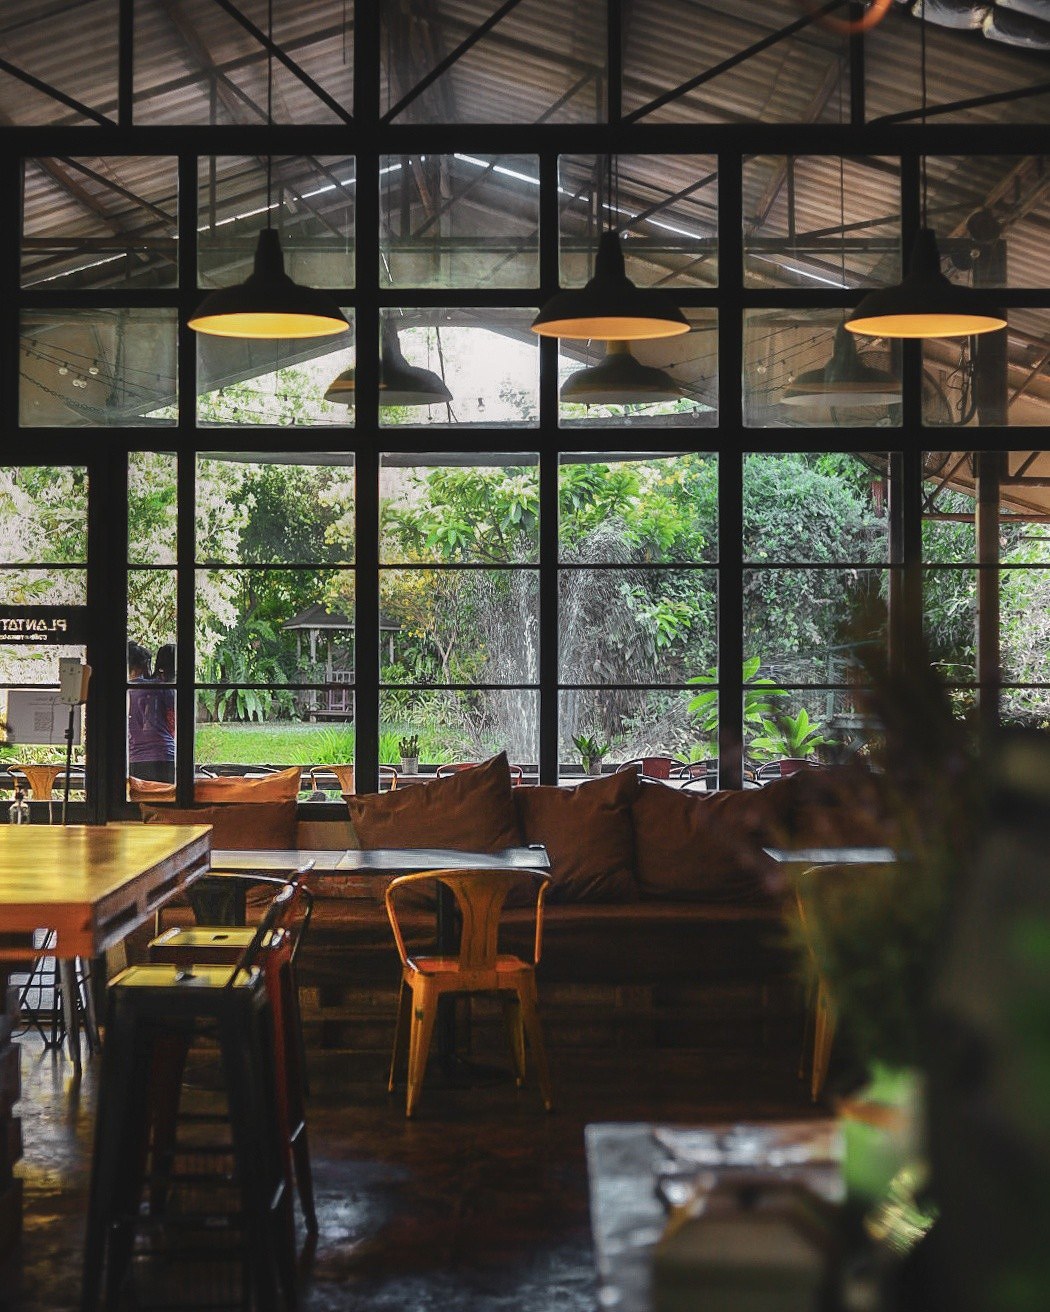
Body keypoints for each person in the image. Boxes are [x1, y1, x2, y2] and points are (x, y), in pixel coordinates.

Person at [127, 640, 174, 783]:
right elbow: (173, 721)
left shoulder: (125, 691)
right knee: (166, 796)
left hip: (135, 757)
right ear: (144, 664)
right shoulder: (162, 687)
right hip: (164, 754)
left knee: (141, 796)